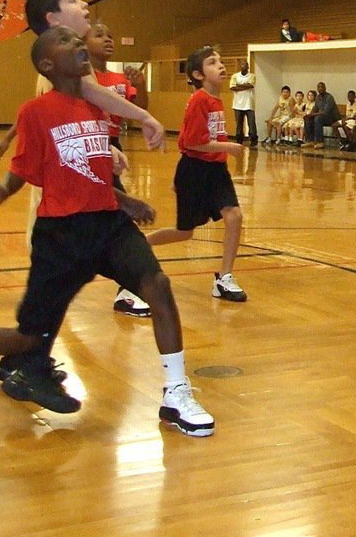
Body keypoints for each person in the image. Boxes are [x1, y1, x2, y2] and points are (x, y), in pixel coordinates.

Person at [0, 26, 215, 437]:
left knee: (157, 285)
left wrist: (125, 201)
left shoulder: (97, 108)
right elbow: (25, 174)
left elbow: (85, 172)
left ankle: (176, 393)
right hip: (61, 236)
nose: (77, 44)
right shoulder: (35, 112)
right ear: (47, 65)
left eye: (78, 40)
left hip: (108, 225)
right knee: (26, 338)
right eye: (66, 42)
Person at [0, 0, 163, 324]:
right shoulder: (60, 71)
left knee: (50, 310)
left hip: (82, 202)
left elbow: (90, 105)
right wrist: (141, 119)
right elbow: (55, 142)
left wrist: (105, 147)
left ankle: (26, 354)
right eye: (72, 0)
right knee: (42, 313)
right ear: (53, 19)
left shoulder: (74, 65)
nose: (84, 4)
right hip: (63, 212)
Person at [146, 46, 248, 303]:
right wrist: (230, 147)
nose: (221, 65)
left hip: (216, 171)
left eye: (221, 61)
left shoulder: (216, 99)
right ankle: (139, 244)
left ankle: (224, 278)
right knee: (185, 232)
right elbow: (191, 142)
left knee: (234, 216)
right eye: (213, 62)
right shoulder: (199, 100)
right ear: (198, 74)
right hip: (195, 171)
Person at [86, 21, 152, 318]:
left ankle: (125, 291)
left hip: (112, 146)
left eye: (110, 34)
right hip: (91, 146)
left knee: (117, 214)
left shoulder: (118, 78)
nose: (107, 39)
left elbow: (142, 108)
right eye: (99, 35)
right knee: (117, 214)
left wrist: (142, 84)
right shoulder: (83, 77)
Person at [230, 59, 258, 146]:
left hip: (249, 104)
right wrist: (245, 86)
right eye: (241, 65)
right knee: (239, 123)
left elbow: (250, 85)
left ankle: (253, 139)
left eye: (245, 65)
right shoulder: (235, 76)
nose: (243, 66)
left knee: (251, 123)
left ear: (248, 67)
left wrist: (239, 85)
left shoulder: (252, 76)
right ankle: (239, 139)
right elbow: (232, 87)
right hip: (237, 104)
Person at [305, 82, 341, 148]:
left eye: (322, 87)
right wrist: (308, 115)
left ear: (325, 88)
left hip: (332, 118)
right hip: (323, 118)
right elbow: (315, 109)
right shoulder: (317, 98)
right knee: (307, 118)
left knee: (318, 118)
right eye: (319, 87)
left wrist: (312, 114)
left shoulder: (329, 97)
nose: (320, 88)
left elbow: (325, 112)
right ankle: (310, 140)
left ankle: (320, 142)